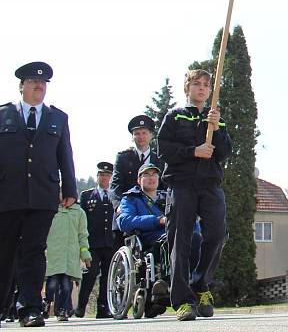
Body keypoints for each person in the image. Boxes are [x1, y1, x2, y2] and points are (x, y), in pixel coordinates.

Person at [0, 61, 77, 327]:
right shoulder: (3, 115)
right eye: (33, 82)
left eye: (42, 83)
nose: (38, 86)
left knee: (33, 252)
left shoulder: (58, 117)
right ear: (22, 86)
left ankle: (30, 308)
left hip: (42, 195)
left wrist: (70, 188)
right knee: (4, 252)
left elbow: (64, 155)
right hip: (7, 195)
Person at [157, 69, 231, 321]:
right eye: (196, 84)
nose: (201, 88)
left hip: (210, 184)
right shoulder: (174, 116)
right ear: (187, 88)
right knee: (181, 239)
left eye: (206, 85)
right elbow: (164, 148)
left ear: (210, 90)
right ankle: (182, 300)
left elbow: (224, 152)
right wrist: (193, 151)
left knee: (217, 233)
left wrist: (216, 128)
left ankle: (200, 284)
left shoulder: (215, 119)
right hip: (182, 184)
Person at [117, 163, 174, 313]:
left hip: (172, 234)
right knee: (167, 242)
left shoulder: (168, 197)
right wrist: (157, 220)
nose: (151, 178)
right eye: (146, 175)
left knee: (191, 238)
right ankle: (165, 283)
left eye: (154, 175)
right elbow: (124, 222)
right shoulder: (131, 199)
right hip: (146, 240)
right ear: (139, 180)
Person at [75, 162, 116, 319]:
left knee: (107, 277)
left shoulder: (114, 195)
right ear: (97, 176)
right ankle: (80, 307)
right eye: (101, 174)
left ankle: (103, 308)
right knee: (89, 276)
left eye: (107, 174)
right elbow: (82, 219)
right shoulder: (87, 196)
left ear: (111, 176)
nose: (104, 177)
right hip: (92, 243)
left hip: (110, 243)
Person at [44, 189, 91, 322]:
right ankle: (46, 303)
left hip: (71, 256)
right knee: (52, 283)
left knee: (66, 285)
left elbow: (83, 235)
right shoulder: (52, 211)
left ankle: (62, 310)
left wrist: (85, 254)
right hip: (54, 254)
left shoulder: (79, 213)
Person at [111, 115, 165, 203]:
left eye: (144, 133)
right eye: (137, 134)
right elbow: (115, 185)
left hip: (155, 206)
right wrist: (118, 206)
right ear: (132, 137)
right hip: (129, 205)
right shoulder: (123, 158)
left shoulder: (160, 159)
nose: (141, 137)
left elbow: (165, 185)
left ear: (151, 135)